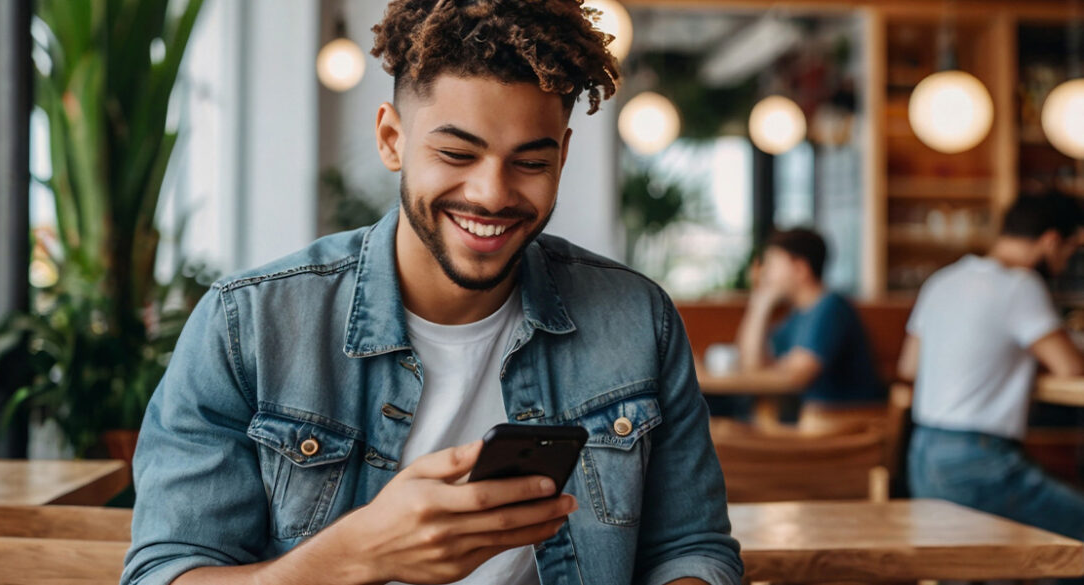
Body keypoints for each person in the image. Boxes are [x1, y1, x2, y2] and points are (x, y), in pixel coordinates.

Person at [121, 2, 742, 585]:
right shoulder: (249, 325)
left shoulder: (637, 320)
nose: (492, 194)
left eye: (530, 162)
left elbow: (691, 548)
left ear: (563, 155)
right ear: (392, 139)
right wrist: (355, 555)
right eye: (455, 153)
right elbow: (167, 570)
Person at [899, 192, 1084, 541]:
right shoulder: (1020, 285)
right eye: (1070, 252)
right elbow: (1070, 367)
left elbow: (909, 366)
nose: (1065, 265)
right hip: (977, 463)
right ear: (1051, 240)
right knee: (1074, 540)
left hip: (923, 453)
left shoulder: (943, 280)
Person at [735, 229, 885, 426]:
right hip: (813, 421)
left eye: (772, 264)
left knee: (738, 425)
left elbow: (796, 377)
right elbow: (751, 362)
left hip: (844, 425)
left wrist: (783, 367)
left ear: (800, 269)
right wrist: (760, 304)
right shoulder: (799, 315)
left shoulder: (831, 308)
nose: (765, 273)